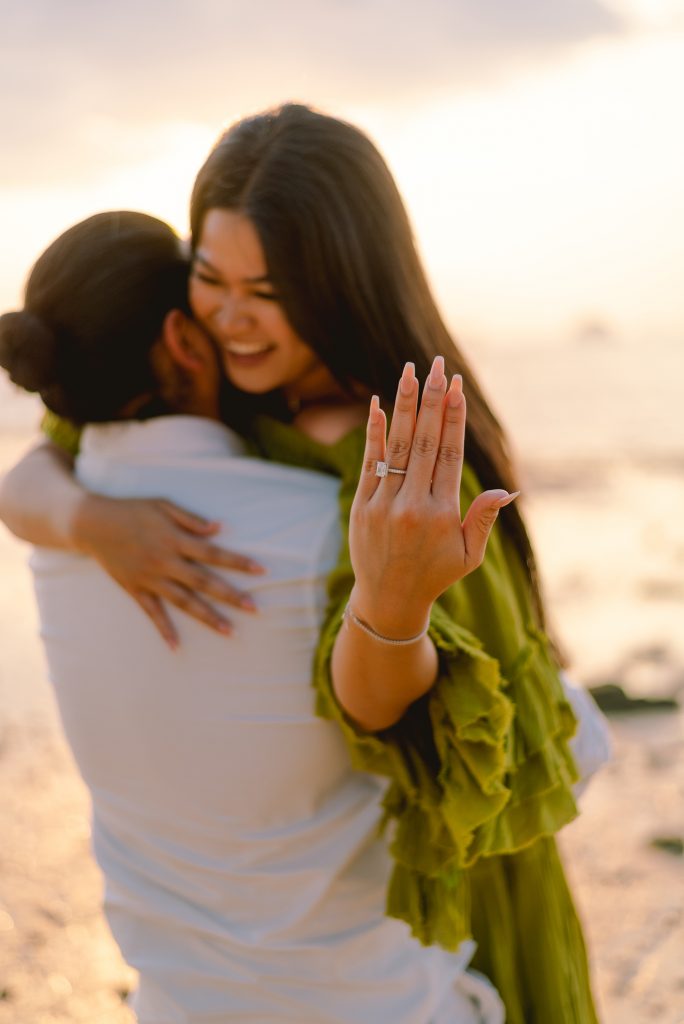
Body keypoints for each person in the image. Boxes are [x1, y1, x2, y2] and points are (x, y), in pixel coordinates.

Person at [0, 105, 606, 1022]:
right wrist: (92, 520)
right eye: (212, 277)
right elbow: (35, 466)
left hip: (464, 882)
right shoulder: (221, 404)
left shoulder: (397, 458)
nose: (234, 319)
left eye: (273, 291)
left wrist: (391, 605)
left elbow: (388, 711)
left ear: (341, 283)